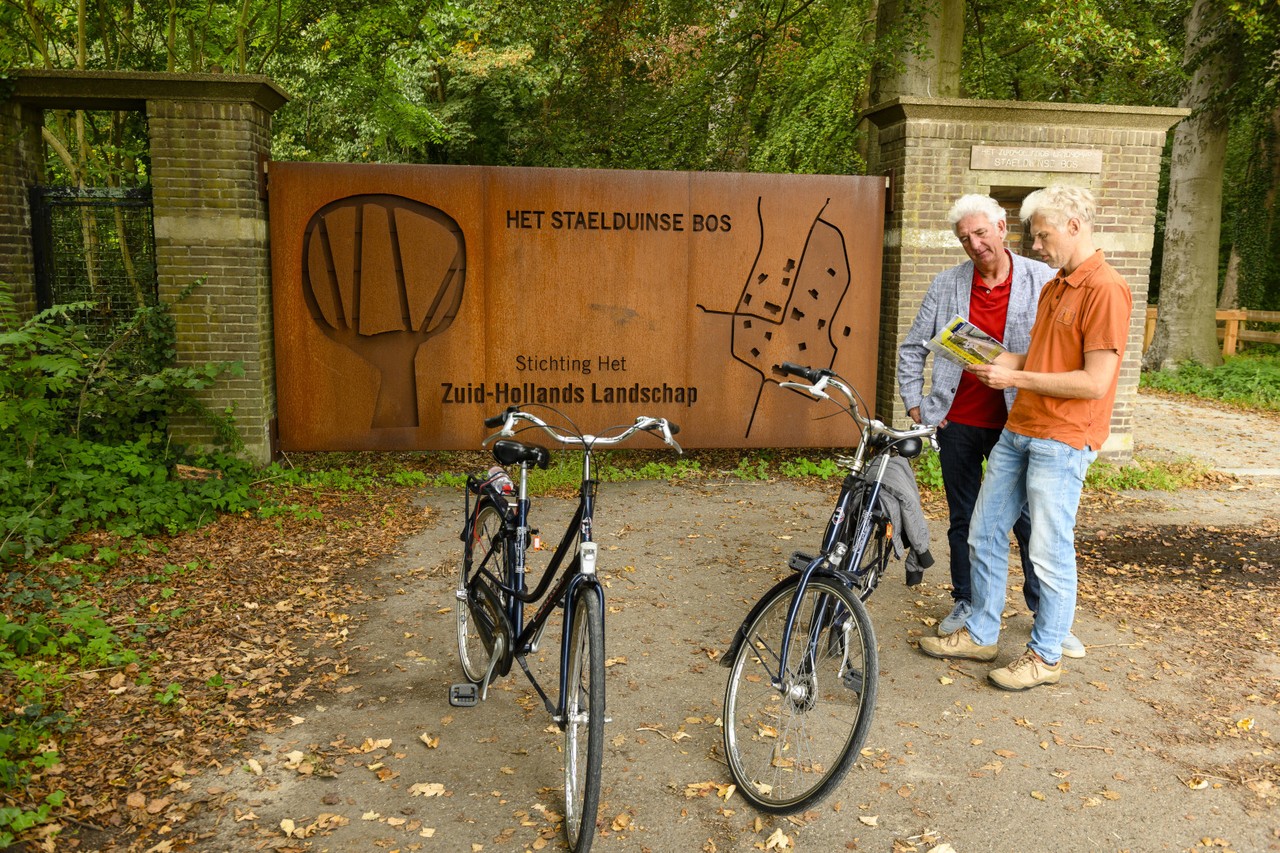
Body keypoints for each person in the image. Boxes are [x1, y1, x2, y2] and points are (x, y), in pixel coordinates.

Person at [918, 185, 1132, 690]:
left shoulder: (1105, 289)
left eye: (1042, 235)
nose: (1034, 246)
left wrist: (1014, 380)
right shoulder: (1057, 285)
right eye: (1033, 236)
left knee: (1048, 548)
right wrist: (979, 354)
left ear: (1074, 226)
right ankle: (981, 631)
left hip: (1063, 438)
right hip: (1021, 431)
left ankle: (1046, 655)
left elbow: (1095, 382)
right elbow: (1033, 359)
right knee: (983, 531)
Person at [897, 195, 1085, 656]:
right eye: (965, 238)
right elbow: (911, 348)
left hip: (1018, 422)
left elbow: (1061, 352)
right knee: (965, 520)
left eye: (981, 233)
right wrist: (916, 404)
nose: (975, 244)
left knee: (1027, 523)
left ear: (1002, 228)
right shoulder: (946, 285)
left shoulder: (1043, 279)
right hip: (957, 420)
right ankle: (968, 604)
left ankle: (1047, 615)